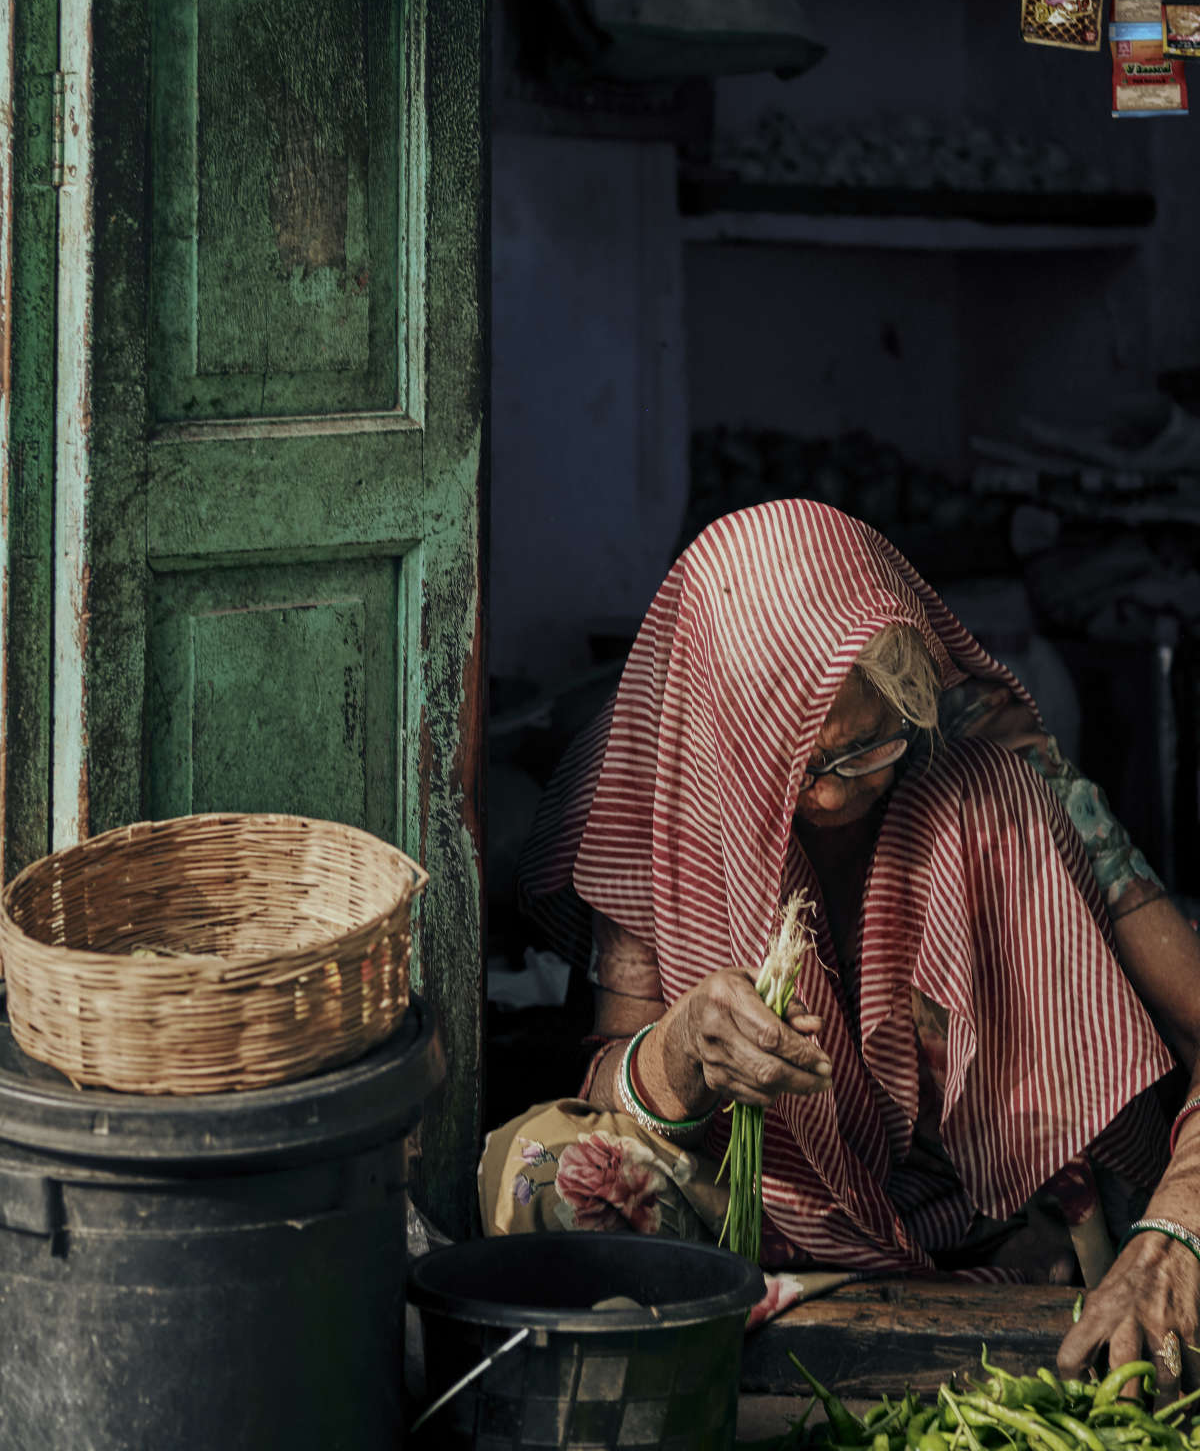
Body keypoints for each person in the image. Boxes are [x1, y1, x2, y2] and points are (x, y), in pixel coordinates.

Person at [481, 499, 1200, 1387]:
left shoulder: (994, 773)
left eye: (871, 748)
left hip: (997, 1221)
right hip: (764, 1222)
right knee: (543, 1172)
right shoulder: (665, 789)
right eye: (794, 763)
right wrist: (682, 1049)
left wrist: (1176, 1228)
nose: (826, 797)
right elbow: (603, 1084)